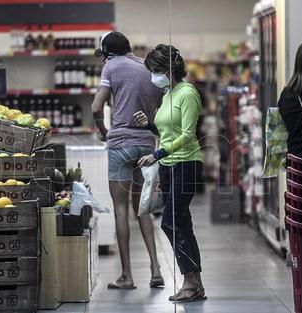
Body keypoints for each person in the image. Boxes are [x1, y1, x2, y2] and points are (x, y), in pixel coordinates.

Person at [91, 31, 164, 289]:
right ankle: (156, 271)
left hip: (120, 143)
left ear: (108, 53)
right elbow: (160, 103)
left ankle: (127, 276)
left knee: (121, 208)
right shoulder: (146, 66)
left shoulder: (111, 66)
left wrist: (103, 131)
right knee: (143, 207)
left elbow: (96, 107)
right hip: (145, 145)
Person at [134, 44, 206, 303]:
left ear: (169, 69)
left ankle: (190, 280)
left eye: (155, 70)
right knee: (181, 221)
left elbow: (188, 135)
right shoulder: (168, 93)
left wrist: (158, 154)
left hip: (186, 164)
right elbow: (169, 132)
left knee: (171, 221)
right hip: (168, 167)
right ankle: (194, 282)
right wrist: (150, 125)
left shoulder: (187, 93)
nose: (153, 75)